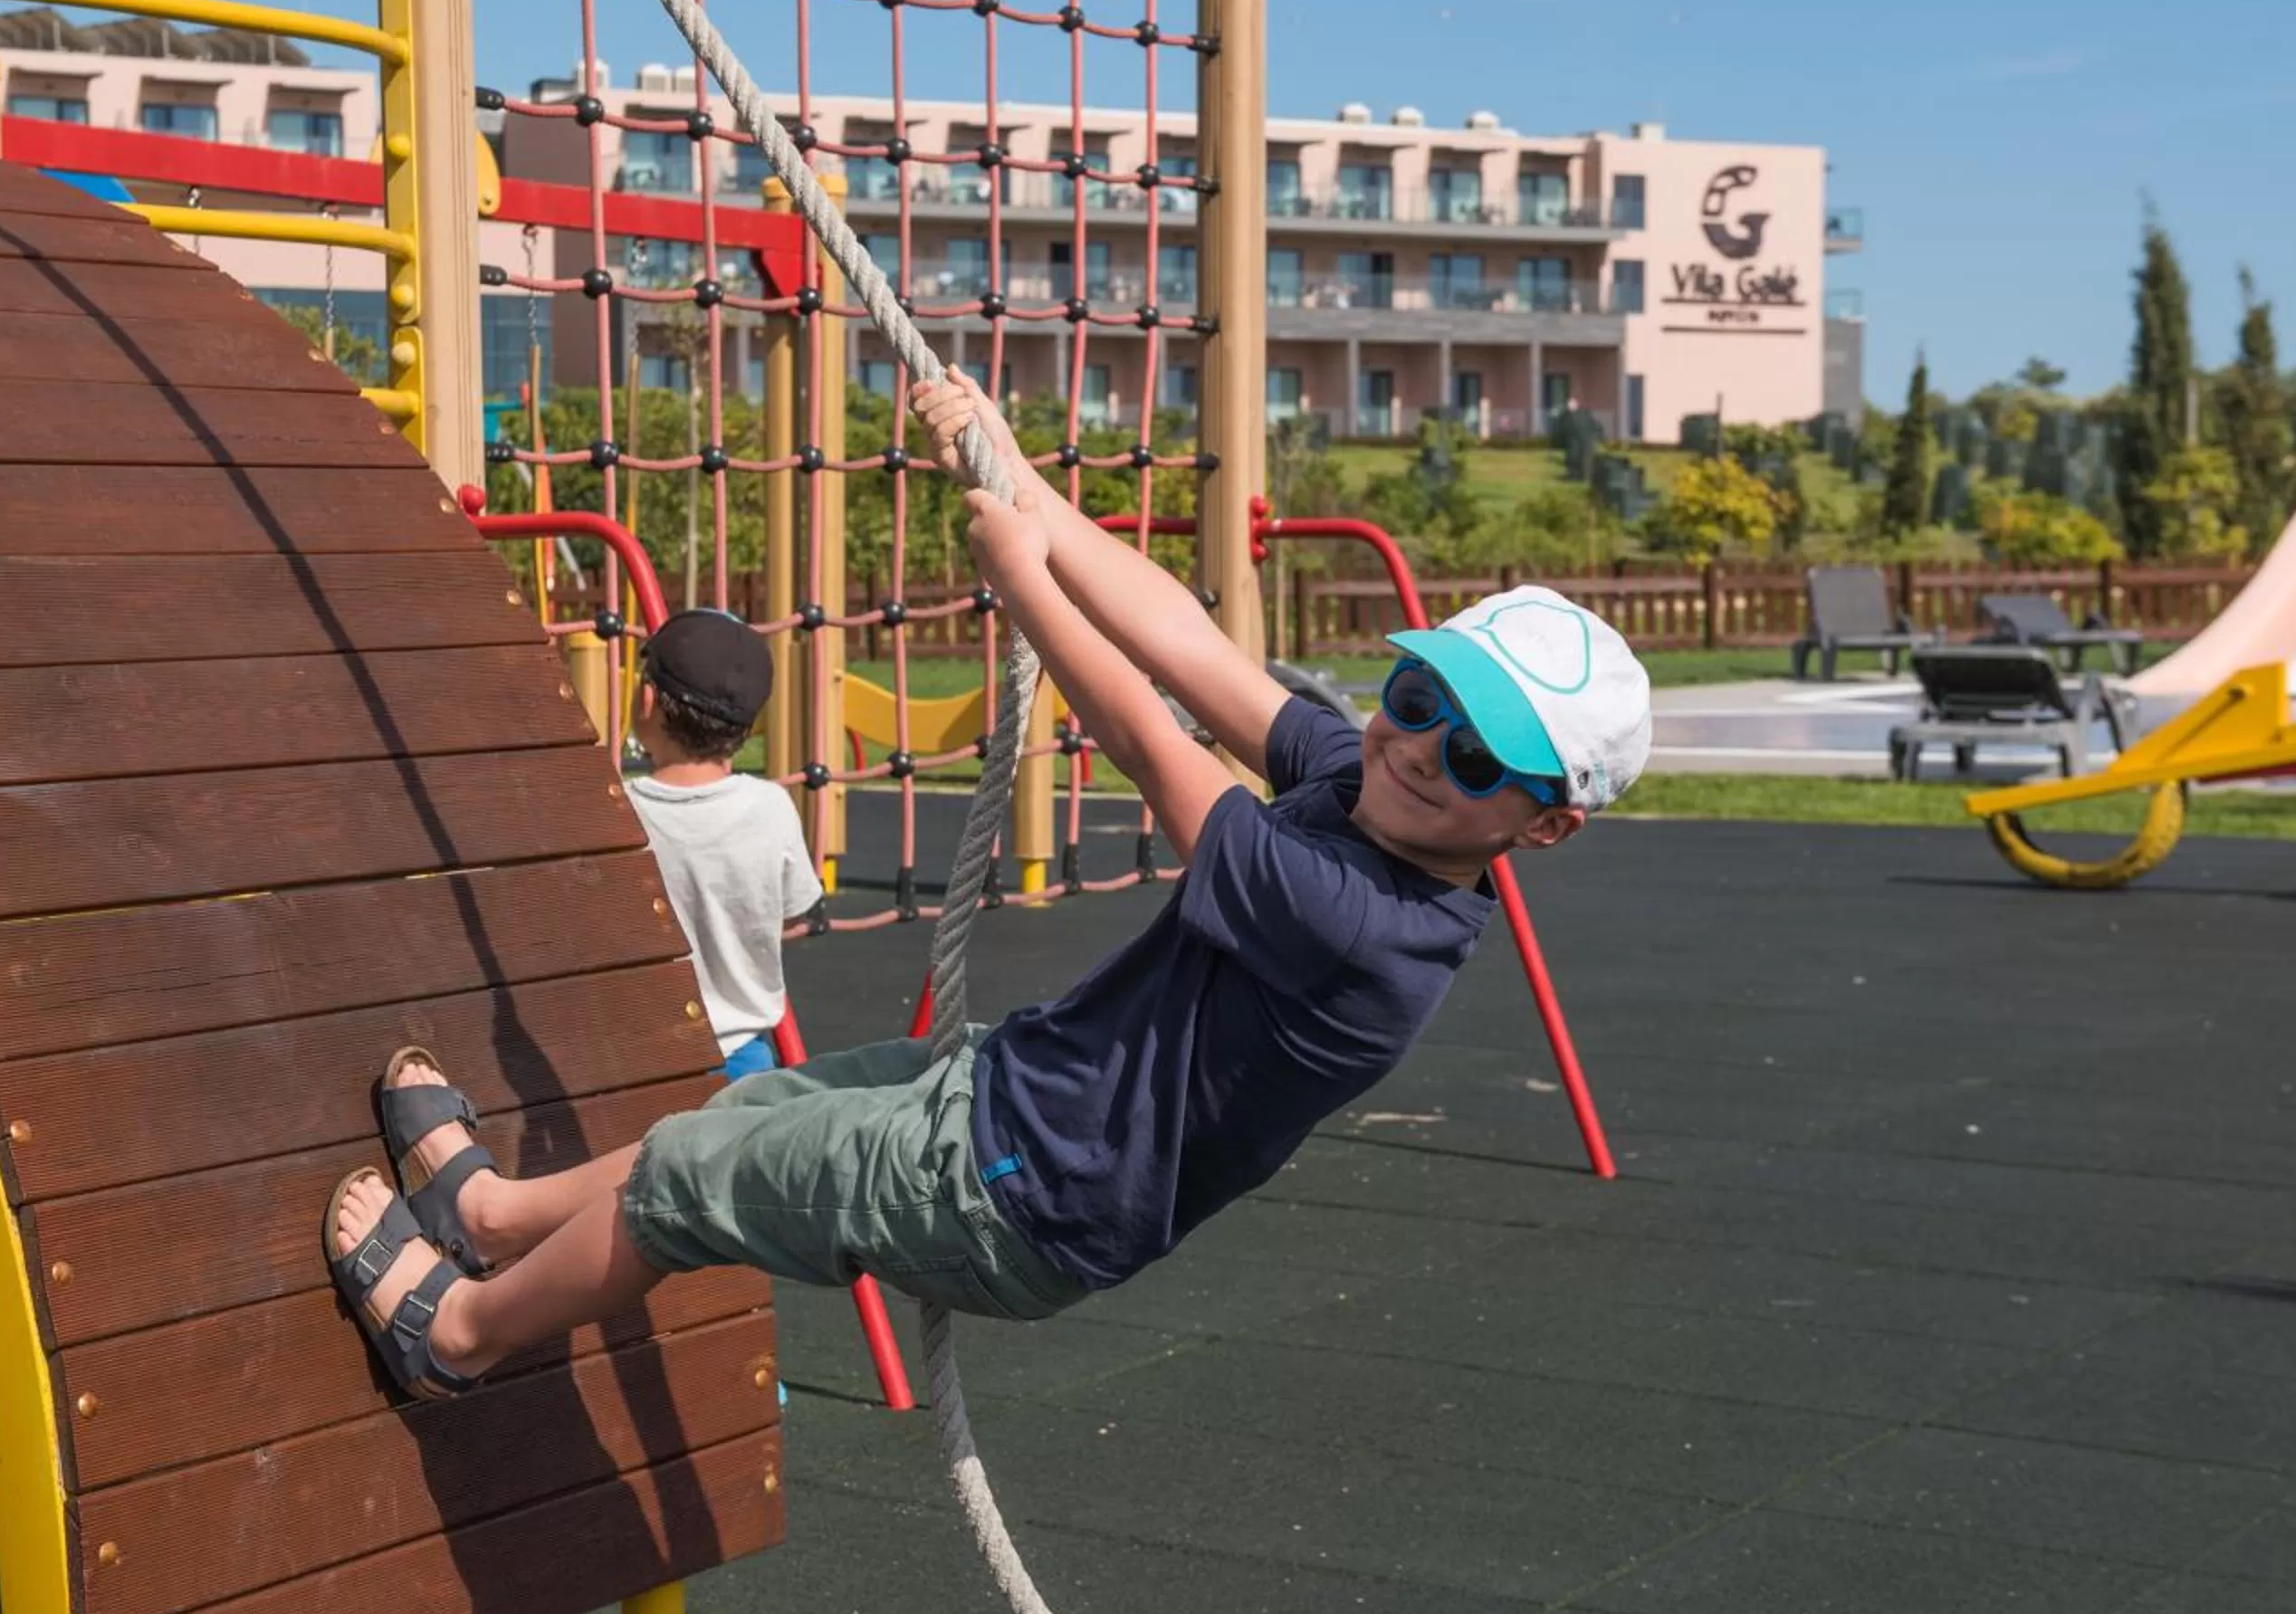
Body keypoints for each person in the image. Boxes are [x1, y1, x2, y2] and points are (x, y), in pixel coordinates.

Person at [321, 369, 1652, 1399]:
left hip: (1023, 1192)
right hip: (1011, 1094)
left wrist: (1023, 587)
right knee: (761, 1100)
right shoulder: (1358, 777)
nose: (1420, 748)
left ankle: (461, 1333)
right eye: (1420, 699)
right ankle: (487, 1213)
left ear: (1543, 828)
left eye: (1478, 758)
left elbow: (1154, 744)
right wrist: (1027, 487)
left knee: (692, 1170)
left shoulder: (1375, 929)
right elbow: (1188, 640)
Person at [617, 609, 824, 1082]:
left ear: (647, 700)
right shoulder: (771, 808)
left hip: (638, 1059)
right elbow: (793, 910)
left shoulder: (619, 812)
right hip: (744, 1062)